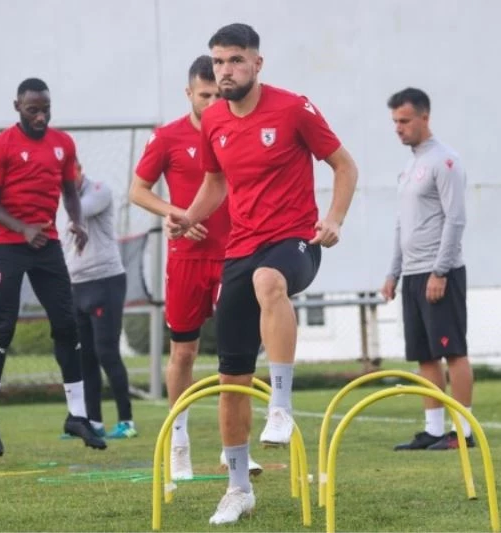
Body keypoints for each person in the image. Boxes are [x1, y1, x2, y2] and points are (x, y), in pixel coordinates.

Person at [165, 24, 358, 525]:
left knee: (269, 280)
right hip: (240, 249)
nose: (225, 71)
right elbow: (215, 182)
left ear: (257, 63)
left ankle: (281, 405)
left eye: (235, 60)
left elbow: (344, 166)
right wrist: (188, 217)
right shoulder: (213, 120)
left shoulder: (293, 108)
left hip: (297, 242)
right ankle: (238, 489)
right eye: (218, 62)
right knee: (230, 378)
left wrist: (334, 219)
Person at [129, 55, 262, 479]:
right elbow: (138, 190)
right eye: (204, 95)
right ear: (189, 93)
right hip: (186, 259)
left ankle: (235, 449)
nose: (212, 102)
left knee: (236, 356)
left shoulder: (237, 130)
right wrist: (176, 214)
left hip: (235, 255)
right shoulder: (167, 137)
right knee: (184, 352)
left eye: (217, 95)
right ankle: (179, 443)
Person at [0, 77, 106, 456]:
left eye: (45, 109)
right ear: (17, 107)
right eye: (33, 110)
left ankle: (77, 416)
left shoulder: (63, 144)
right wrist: (22, 228)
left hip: (46, 244)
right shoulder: (0, 145)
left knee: (66, 325)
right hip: (7, 246)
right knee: (2, 328)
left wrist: (78, 222)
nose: (40, 116)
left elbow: (69, 192)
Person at [380, 87, 474, 451]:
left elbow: (456, 219)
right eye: (395, 122)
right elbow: (401, 225)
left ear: (424, 117)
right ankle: (434, 430)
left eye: (404, 121)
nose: (398, 128)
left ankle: (463, 432)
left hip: (440, 273)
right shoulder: (409, 167)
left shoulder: (444, 161)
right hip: (413, 275)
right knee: (425, 355)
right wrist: (394, 273)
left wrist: (440, 271)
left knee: (454, 352)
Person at [62, 159, 137, 440]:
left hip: (105, 281)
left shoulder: (99, 190)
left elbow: (80, 210)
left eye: (69, 173)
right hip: (77, 283)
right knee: (85, 356)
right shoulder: (62, 199)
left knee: (107, 352)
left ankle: (126, 421)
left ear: (79, 170)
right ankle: (93, 421)